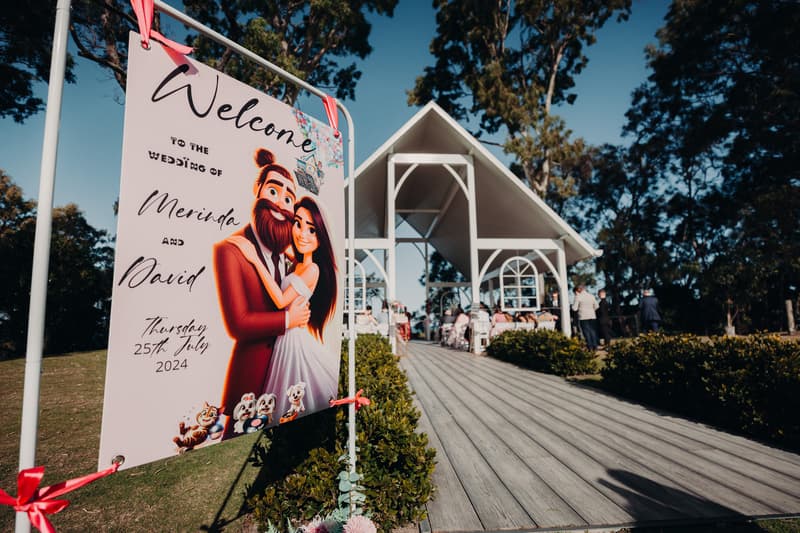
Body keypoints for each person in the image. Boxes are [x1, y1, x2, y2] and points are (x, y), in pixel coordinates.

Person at [213, 148, 310, 439]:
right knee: (237, 438)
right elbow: (238, 323)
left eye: (289, 199)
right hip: (252, 378)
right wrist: (286, 320)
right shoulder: (232, 249)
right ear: (257, 190)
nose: (281, 204)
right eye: (273, 191)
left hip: (287, 374)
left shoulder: (291, 261)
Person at [228, 196, 339, 421]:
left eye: (312, 230)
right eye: (298, 224)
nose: (302, 234)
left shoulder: (313, 269)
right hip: (284, 336)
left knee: (293, 394)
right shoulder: (298, 265)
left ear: (321, 238)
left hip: (292, 339)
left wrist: (254, 259)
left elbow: (280, 300)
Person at [571, 285, 599, 350]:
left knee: (586, 332)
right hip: (592, 316)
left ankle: (590, 346)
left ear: (578, 290)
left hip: (583, 316)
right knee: (592, 331)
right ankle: (595, 345)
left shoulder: (578, 297)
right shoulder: (591, 296)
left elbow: (574, 308)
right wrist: (592, 310)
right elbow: (597, 306)